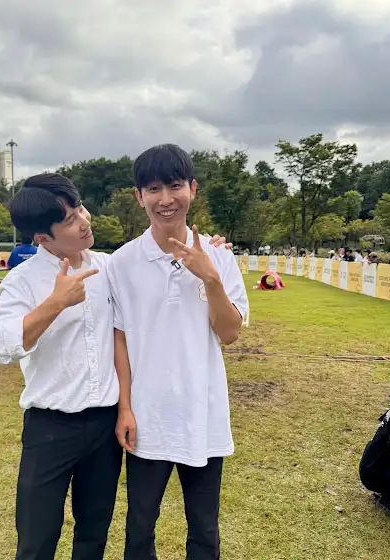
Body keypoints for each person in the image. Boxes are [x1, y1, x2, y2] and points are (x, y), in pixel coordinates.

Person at [0, 173, 231, 560]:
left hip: (104, 427)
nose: (84, 221)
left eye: (80, 208)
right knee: (37, 538)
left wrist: (213, 251)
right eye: (70, 220)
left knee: (94, 532)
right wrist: (54, 304)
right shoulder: (24, 280)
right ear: (43, 237)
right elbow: (0, 347)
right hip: (51, 428)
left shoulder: (108, 267)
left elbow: (144, 292)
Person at [106, 144, 249, 559]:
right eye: (153, 189)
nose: (165, 199)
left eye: (174, 186)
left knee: (204, 527)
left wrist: (211, 278)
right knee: (139, 526)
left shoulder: (219, 257)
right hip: (147, 417)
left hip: (203, 413)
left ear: (193, 189)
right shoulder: (122, 263)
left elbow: (229, 334)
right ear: (139, 196)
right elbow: (120, 339)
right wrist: (125, 408)